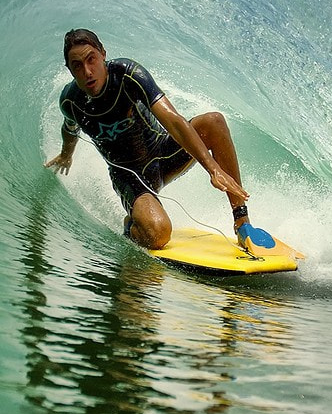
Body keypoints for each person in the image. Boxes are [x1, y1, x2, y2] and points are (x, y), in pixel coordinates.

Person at [45, 28, 276, 252]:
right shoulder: (71, 101)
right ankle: (134, 225)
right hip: (130, 178)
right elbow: (70, 128)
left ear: (103, 53)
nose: (87, 71)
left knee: (214, 122)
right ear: (70, 70)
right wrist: (66, 154)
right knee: (158, 233)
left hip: (164, 154)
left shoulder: (128, 76)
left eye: (91, 59)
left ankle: (242, 223)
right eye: (77, 66)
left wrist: (213, 169)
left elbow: (173, 120)